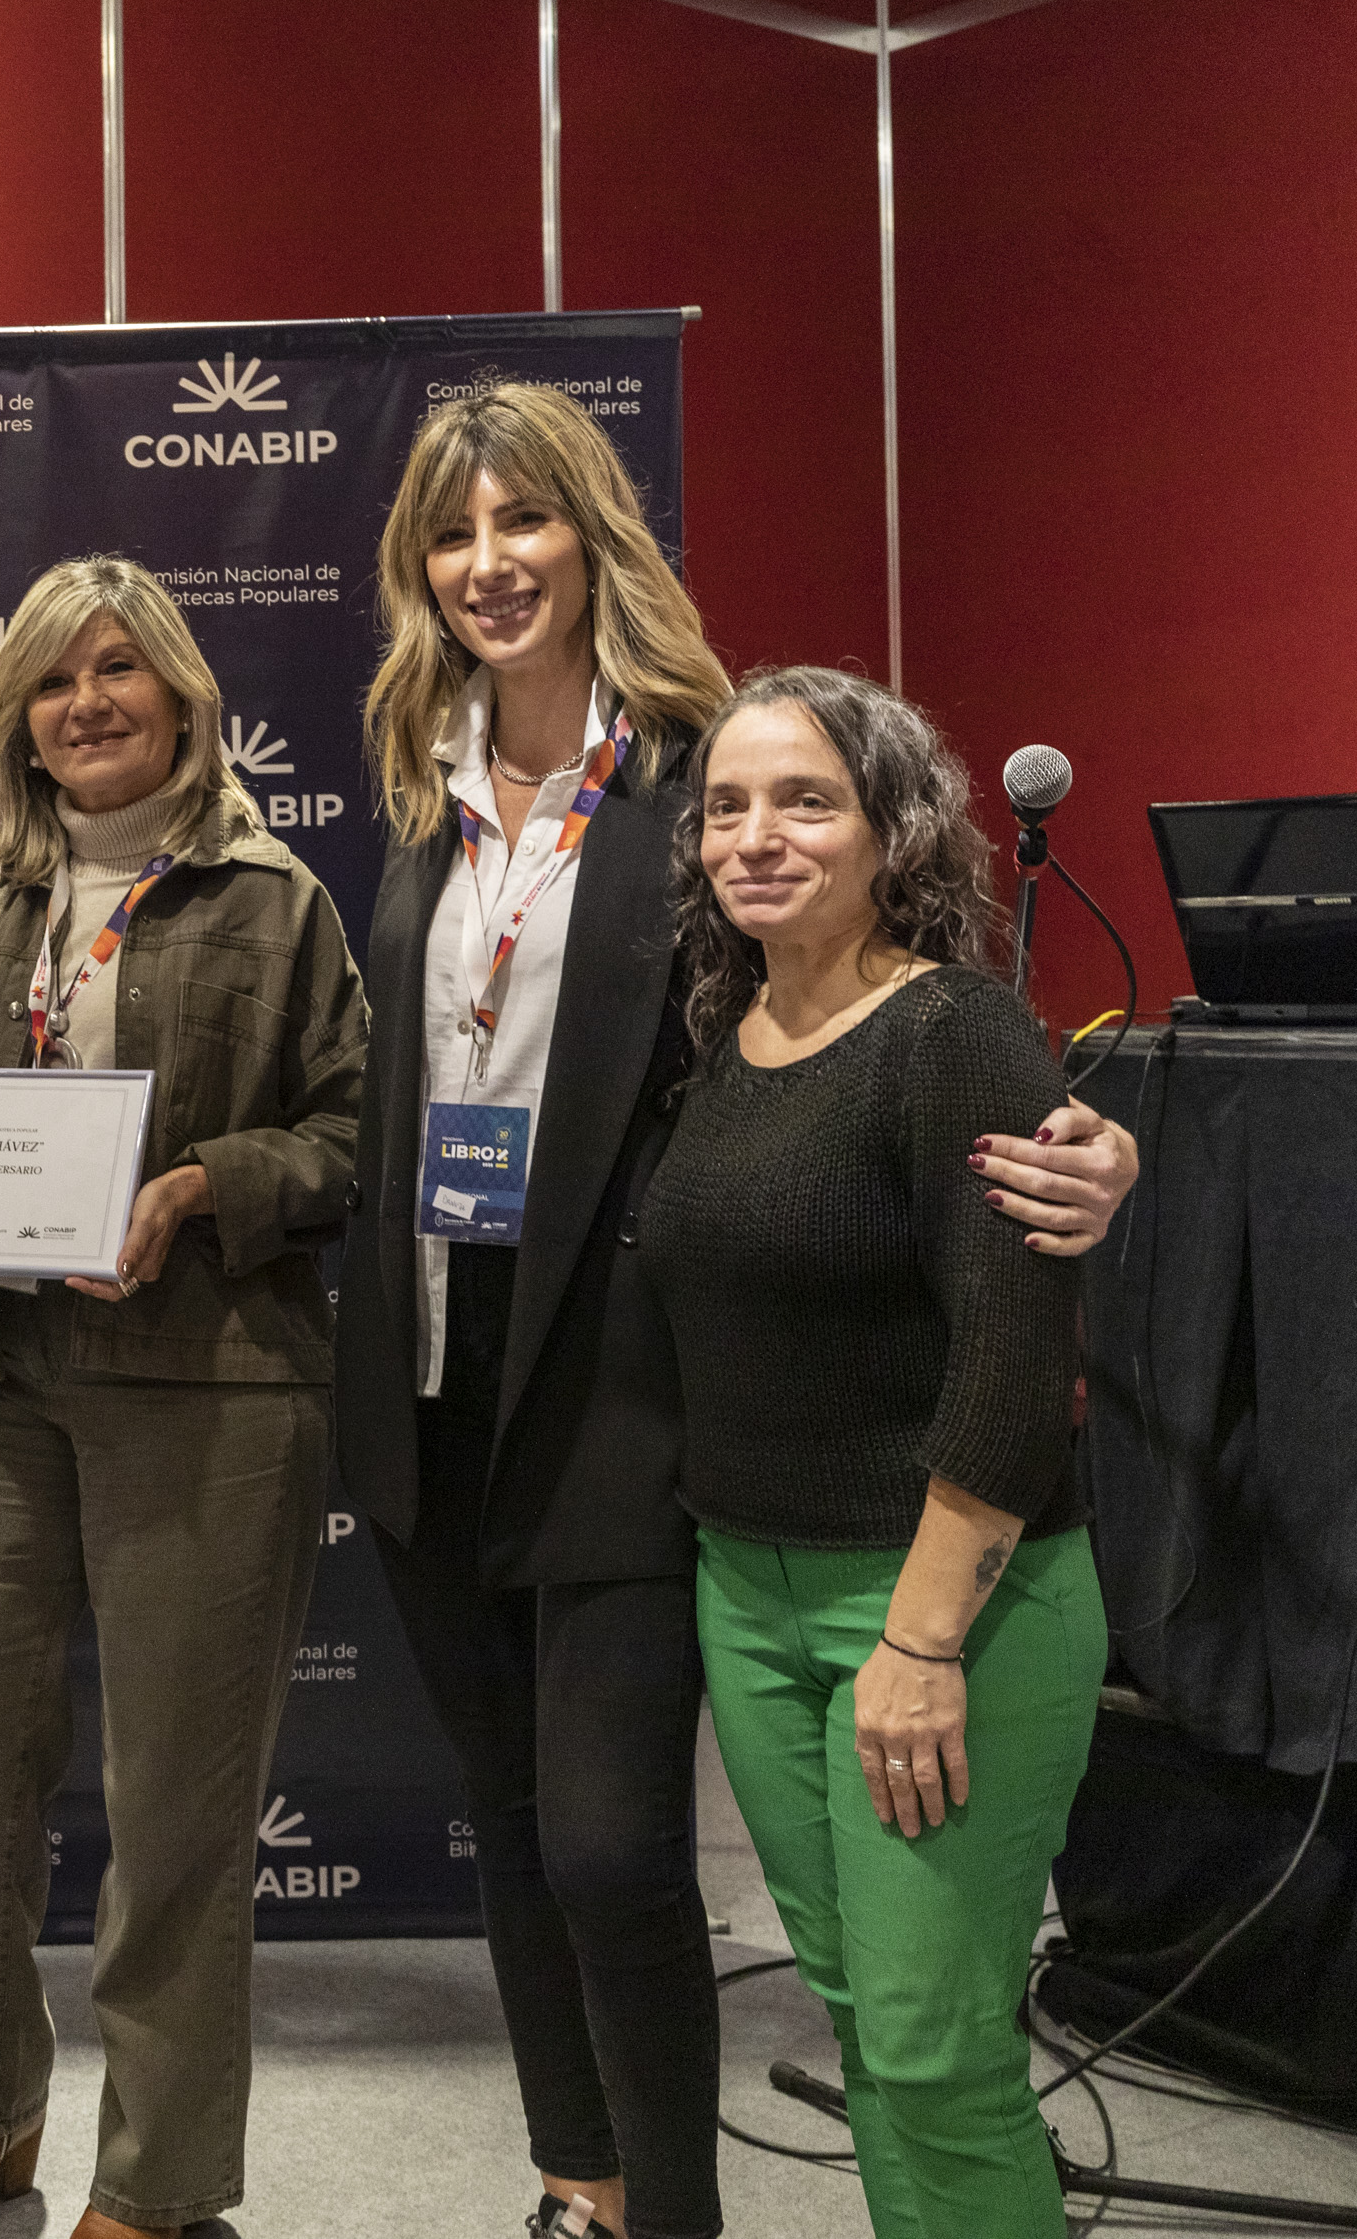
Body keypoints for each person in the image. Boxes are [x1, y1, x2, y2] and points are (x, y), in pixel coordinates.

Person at [327, 384, 1138, 2239]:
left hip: (622, 1387)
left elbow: (879, 1029)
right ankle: (586, 2186)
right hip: (437, 1372)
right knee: (518, 1836)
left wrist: (1098, 1150)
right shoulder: (423, 778)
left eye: (524, 519)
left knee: (615, 1850)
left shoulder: (704, 775)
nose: (487, 564)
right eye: (452, 534)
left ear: (591, 533)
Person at [0, 557, 367, 2239]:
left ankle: (156, 2179)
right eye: (55, 681)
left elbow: (353, 1133)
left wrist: (203, 1184)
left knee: (181, 1808)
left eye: (121, 669)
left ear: (185, 696)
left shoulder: (275, 898)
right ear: (17, 719)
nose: (89, 703)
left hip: (207, 1385)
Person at [647, 666, 1103, 2236]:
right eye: (726, 805)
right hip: (749, 1597)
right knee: (864, 2025)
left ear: (891, 827)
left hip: (943, 1608)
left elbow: (1015, 1362)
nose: (755, 835)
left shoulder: (955, 1030)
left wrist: (919, 1641)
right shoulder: (722, 1032)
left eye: (806, 800)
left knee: (933, 2049)